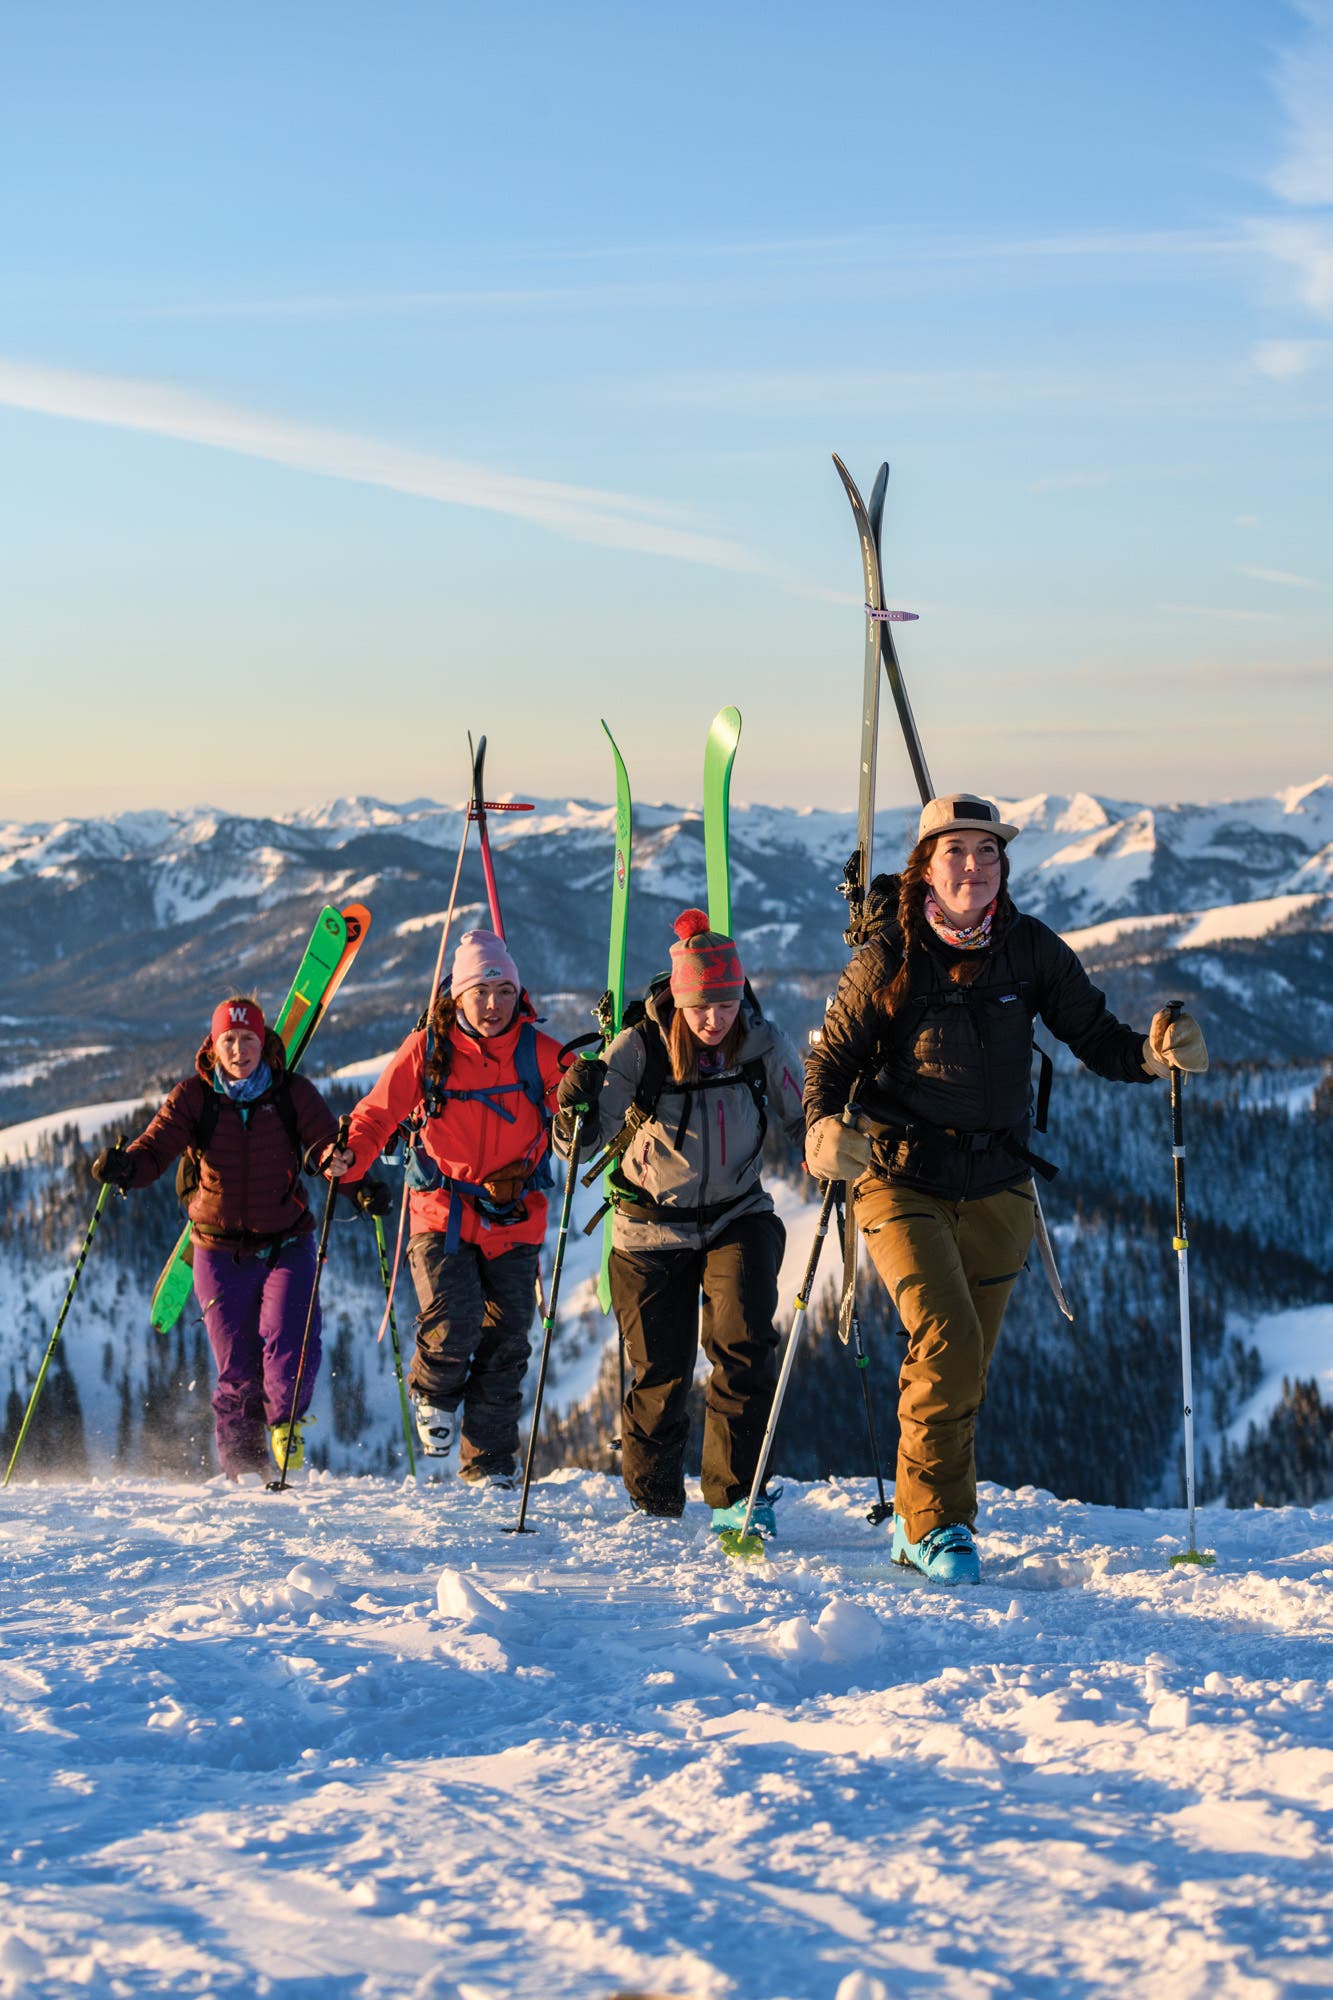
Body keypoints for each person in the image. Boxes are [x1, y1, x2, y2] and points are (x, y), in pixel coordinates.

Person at [804, 793, 1208, 1584]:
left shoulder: (1028, 950)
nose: (973, 866)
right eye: (956, 851)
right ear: (926, 864)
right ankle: (938, 1527)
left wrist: (1157, 1055)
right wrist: (821, 1129)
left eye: (987, 852)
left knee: (963, 1364)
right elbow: (828, 1065)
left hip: (998, 1183)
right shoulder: (885, 955)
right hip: (899, 1178)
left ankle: (918, 1519)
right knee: (948, 1344)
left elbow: (1096, 1038)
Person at [557, 908, 807, 1534]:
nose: (714, 1020)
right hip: (649, 1227)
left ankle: (738, 1501)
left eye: (724, 1005)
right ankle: (655, 1504)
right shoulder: (640, 1047)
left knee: (743, 1347)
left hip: (737, 1215)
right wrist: (574, 1109)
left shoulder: (761, 1043)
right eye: (701, 1008)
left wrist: (830, 1143)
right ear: (680, 1001)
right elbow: (578, 1144)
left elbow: (804, 1115)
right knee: (660, 1370)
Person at [327, 930, 564, 1487]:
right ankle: (433, 1391)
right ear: (456, 998)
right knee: (453, 1317)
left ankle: (488, 1466)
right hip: (441, 1211)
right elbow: (378, 1114)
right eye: (479, 992)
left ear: (518, 994)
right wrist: (351, 1157)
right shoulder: (427, 1053)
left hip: (515, 1214)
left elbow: (579, 1111)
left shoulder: (541, 1053)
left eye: (503, 990)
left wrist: (582, 1111)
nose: (492, 1004)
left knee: (506, 1343)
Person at [92, 994, 346, 1479]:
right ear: (213, 1047)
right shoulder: (193, 1096)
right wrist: (126, 1167)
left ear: (263, 1041)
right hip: (216, 1247)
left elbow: (323, 1143)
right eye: (228, 1040)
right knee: (237, 1367)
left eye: (247, 1038)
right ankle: (243, 1468)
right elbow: (156, 1146)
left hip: (286, 1241)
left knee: (291, 1334)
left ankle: (285, 1424)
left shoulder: (292, 1093)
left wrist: (337, 1162)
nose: (238, 1049)